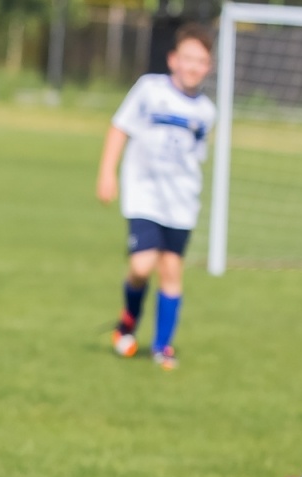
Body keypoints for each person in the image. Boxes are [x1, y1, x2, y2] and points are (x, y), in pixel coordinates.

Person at [96, 24, 216, 371]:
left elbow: (196, 156)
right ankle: (128, 320)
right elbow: (120, 127)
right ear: (173, 59)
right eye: (188, 58)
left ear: (208, 67)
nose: (194, 67)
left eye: (202, 61)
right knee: (141, 265)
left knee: (171, 270)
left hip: (181, 202)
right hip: (145, 195)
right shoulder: (149, 90)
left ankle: (163, 347)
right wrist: (107, 172)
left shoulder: (207, 111)